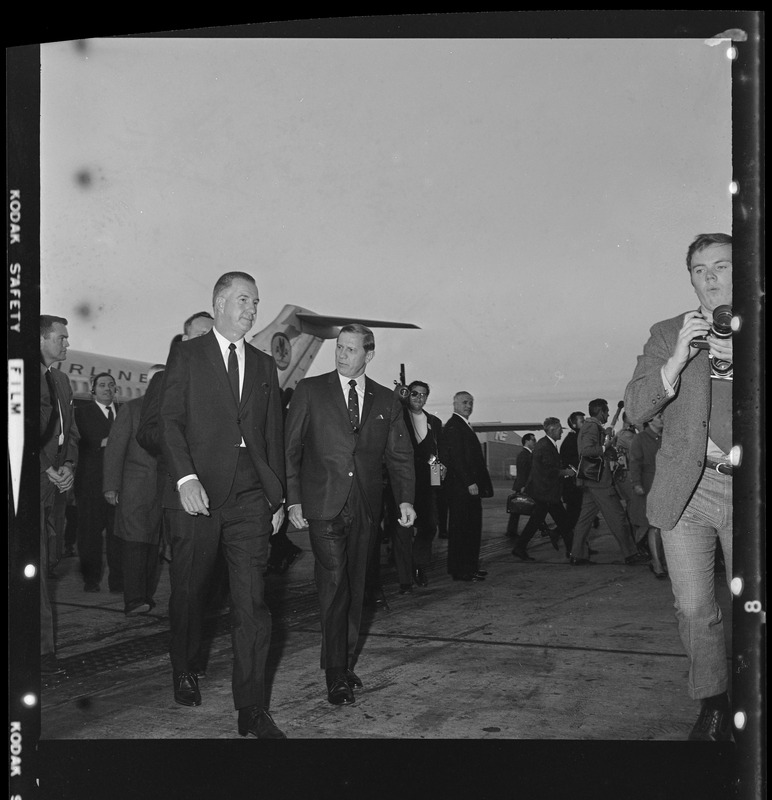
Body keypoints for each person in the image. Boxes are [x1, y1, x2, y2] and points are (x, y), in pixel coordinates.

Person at [158, 271, 286, 739]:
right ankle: (186, 667)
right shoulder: (187, 355)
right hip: (200, 498)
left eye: (256, 302)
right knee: (190, 594)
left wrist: (278, 496)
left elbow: (272, 433)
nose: (252, 309)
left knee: (252, 603)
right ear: (218, 303)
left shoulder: (264, 363)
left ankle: (251, 708)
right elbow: (168, 422)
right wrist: (185, 478)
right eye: (243, 300)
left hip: (252, 497)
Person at [625, 232, 734, 741]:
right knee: (694, 606)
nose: (710, 278)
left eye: (721, 266)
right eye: (699, 271)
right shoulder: (669, 332)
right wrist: (676, 360)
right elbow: (636, 407)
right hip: (689, 488)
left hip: (751, 492)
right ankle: (713, 701)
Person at [285, 324, 415, 706]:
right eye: (339, 348)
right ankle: (334, 672)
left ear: (369, 354)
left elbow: (401, 456)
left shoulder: (388, 400)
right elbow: (289, 447)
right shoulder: (310, 390)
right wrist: (292, 500)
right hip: (323, 504)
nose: (341, 355)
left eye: (350, 350)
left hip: (366, 505)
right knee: (334, 583)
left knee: (358, 586)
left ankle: (344, 660)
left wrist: (405, 500)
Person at [103, 364, 166, 615]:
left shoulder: (173, 408)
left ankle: (145, 596)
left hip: (162, 491)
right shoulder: (132, 408)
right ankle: (134, 599)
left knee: (153, 545)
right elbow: (114, 451)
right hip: (135, 489)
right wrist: (111, 486)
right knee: (135, 543)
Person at [40, 315, 80, 676]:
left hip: (55, 488)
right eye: (61, 338)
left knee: (48, 561)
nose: (67, 344)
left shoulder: (62, 380)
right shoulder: (20, 377)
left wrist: (67, 464)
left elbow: (72, 433)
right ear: (40, 340)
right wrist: (43, 466)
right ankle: (42, 655)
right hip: (32, 485)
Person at [569, 398, 649, 567]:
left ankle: (577, 554)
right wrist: (607, 447)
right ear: (600, 412)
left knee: (584, 520)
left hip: (591, 481)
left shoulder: (591, 427)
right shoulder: (591, 427)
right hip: (600, 483)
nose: (608, 415)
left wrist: (608, 450)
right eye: (606, 412)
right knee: (618, 518)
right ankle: (631, 554)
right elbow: (586, 450)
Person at [74, 372, 123, 593]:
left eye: (111, 385)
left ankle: (117, 582)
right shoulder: (81, 413)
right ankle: (91, 581)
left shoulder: (123, 412)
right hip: (91, 485)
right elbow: (81, 444)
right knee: (90, 535)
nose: (107, 389)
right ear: (93, 389)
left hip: (119, 485)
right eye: (102, 385)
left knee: (117, 535)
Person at [396, 380, 445, 591]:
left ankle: (419, 566)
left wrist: (439, 472)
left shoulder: (434, 422)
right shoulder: (398, 416)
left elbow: (436, 452)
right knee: (402, 530)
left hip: (426, 484)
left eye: (423, 395)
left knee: (429, 526)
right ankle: (404, 576)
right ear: (408, 395)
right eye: (414, 394)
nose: (419, 398)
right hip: (402, 482)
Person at [440, 391, 493, 582]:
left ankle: (468, 567)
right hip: (462, 488)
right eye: (464, 402)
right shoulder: (455, 426)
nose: (468, 406)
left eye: (471, 402)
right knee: (463, 529)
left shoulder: (462, 425)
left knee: (470, 528)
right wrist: (469, 482)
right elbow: (457, 458)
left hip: (466, 488)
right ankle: (462, 570)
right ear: (454, 404)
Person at [511, 419, 575, 561]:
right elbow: (548, 470)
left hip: (544, 493)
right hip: (547, 493)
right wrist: (565, 472)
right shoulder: (546, 446)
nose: (561, 431)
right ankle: (573, 553)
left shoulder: (545, 444)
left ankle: (519, 548)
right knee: (565, 524)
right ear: (551, 429)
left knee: (535, 523)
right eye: (559, 429)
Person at [628, 414, 667, 578]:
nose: (663, 418)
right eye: (659, 416)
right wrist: (636, 483)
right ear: (650, 421)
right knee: (654, 526)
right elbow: (634, 462)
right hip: (649, 486)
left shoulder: (667, 437)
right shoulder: (640, 439)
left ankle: (661, 561)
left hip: (667, 486)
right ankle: (657, 564)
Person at [506, 432, 536, 538]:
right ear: (527, 441)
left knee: (517, 509)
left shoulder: (527, 454)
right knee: (517, 508)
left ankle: (511, 531)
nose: (535, 442)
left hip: (524, 485)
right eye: (533, 440)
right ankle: (511, 532)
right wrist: (523, 486)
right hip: (524, 486)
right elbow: (523, 472)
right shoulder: (524, 455)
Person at [559, 411, 586, 533]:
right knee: (574, 516)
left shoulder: (576, 438)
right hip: (573, 485)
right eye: (582, 421)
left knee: (575, 515)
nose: (584, 423)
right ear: (574, 425)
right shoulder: (572, 441)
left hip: (574, 484)